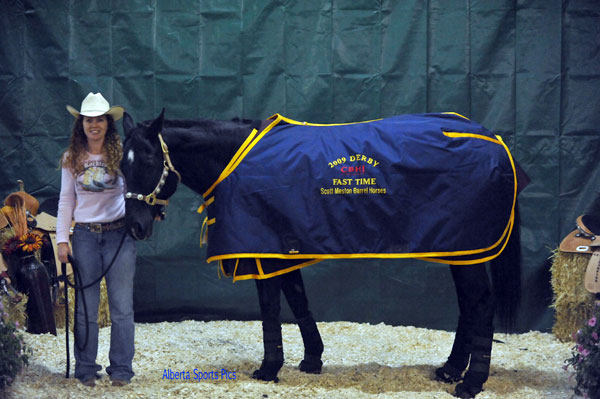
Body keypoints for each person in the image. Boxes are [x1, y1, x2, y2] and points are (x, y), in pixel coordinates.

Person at [56, 92, 136, 387]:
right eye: (89, 119)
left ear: (107, 123)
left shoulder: (122, 155)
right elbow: (66, 200)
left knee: (122, 307)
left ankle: (122, 369)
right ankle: (86, 367)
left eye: (99, 119)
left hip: (119, 235)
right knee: (85, 308)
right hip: (86, 236)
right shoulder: (71, 158)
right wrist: (62, 239)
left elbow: (135, 191)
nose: (94, 124)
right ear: (82, 124)